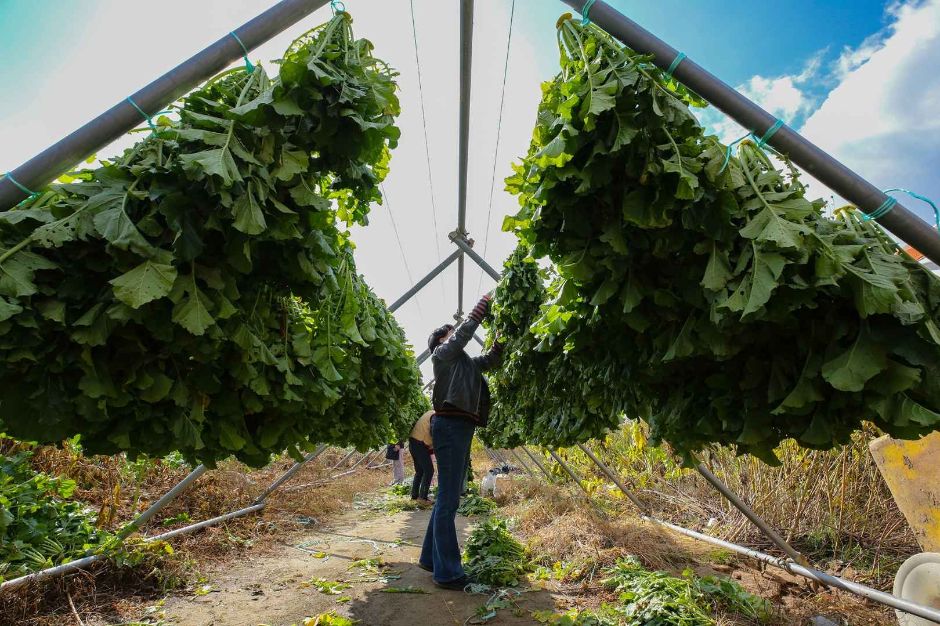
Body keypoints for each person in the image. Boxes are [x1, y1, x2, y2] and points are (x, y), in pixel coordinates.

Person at [418, 294, 503, 590]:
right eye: (450, 336)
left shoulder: (465, 365)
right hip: (451, 425)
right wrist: (479, 309)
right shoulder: (442, 355)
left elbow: (491, 360)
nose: (455, 338)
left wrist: (500, 341)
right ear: (441, 341)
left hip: (459, 426)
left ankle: (430, 559)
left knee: (446, 495)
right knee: (449, 498)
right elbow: (462, 336)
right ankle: (448, 573)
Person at [409, 409, 435, 502]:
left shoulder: (430, 413)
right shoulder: (435, 415)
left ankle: (414, 496)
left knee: (419, 471)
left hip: (413, 442)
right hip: (419, 443)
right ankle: (423, 498)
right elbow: (434, 433)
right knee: (429, 470)